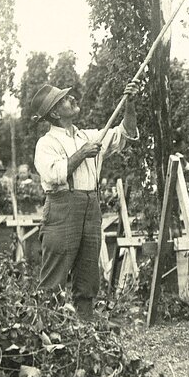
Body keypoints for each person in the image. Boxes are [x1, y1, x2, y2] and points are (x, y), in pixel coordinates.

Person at [31, 80, 142, 319]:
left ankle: (85, 333)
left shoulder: (89, 136)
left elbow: (125, 133)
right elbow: (55, 174)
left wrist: (130, 105)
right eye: (65, 100)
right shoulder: (46, 143)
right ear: (54, 112)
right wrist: (82, 153)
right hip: (62, 209)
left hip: (91, 207)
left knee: (88, 273)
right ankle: (44, 333)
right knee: (54, 276)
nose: (73, 100)